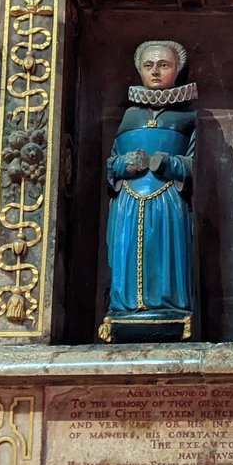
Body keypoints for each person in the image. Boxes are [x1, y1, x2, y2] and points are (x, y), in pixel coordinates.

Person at [98, 40, 197, 343]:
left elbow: (196, 165)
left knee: (166, 253)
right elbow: (110, 165)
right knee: (125, 252)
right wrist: (122, 165)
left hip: (167, 199)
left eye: (163, 65)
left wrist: (168, 163)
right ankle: (124, 308)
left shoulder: (187, 117)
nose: (155, 72)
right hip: (127, 200)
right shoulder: (129, 117)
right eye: (148, 65)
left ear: (177, 71)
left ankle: (168, 308)